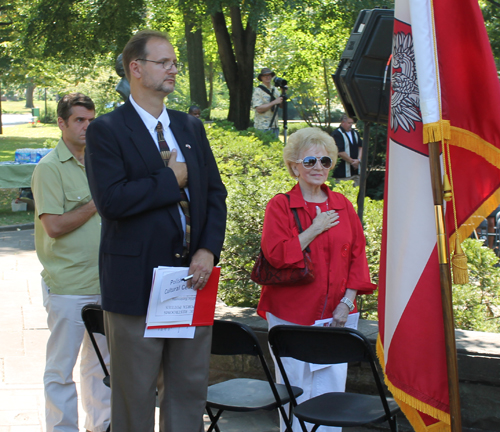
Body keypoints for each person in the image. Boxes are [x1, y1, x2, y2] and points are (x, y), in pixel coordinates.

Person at [84, 30, 227, 432]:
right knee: (135, 392)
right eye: (164, 62)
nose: (173, 69)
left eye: (175, 63)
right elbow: (112, 201)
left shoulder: (190, 128)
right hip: (135, 283)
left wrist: (208, 250)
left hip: (191, 280)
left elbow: (215, 194)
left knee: (188, 389)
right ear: (136, 68)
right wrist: (172, 178)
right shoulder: (107, 130)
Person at [257, 127, 376, 432]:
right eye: (310, 161)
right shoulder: (280, 206)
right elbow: (276, 255)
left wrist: (347, 303)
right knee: (294, 390)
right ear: (294, 166)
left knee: (331, 394)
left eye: (325, 161)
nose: (318, 168)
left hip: (335, 317)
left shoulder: (343, 206)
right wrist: (315, 228)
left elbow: (357, 258)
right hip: (290, 317)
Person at [31, 93, 110, 432]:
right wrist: (97, 202)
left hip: (105, 281)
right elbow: (55, 226)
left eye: (91, 120)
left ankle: (102, 426)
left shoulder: (102, 162)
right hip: (68, 286)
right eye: (79, 120)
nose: (86, 127)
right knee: (61, 369)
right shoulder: (49, 167)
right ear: (61, 123)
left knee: (102, 366)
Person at [331, 114, 363, 186]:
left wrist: (358, 160)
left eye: (352, 123)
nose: (351, 125)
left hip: (356, 172)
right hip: (343, 173)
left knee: (357, 193)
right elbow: (340, 152)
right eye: (349, 123)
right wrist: (352, 162)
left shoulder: (355, 133)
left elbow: (361, 147)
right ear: (343, 122)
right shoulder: (336, 134)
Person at [252, 67, 283, 137]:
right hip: (262, 127)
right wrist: (274, 102)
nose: (268, 77)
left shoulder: (275, 89)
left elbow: (281, 105)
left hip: (274, 125)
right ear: (261, 78)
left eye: (269, 75)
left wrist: (283, 92)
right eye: (265, 75)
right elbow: (259, 109)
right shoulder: (258, 91)